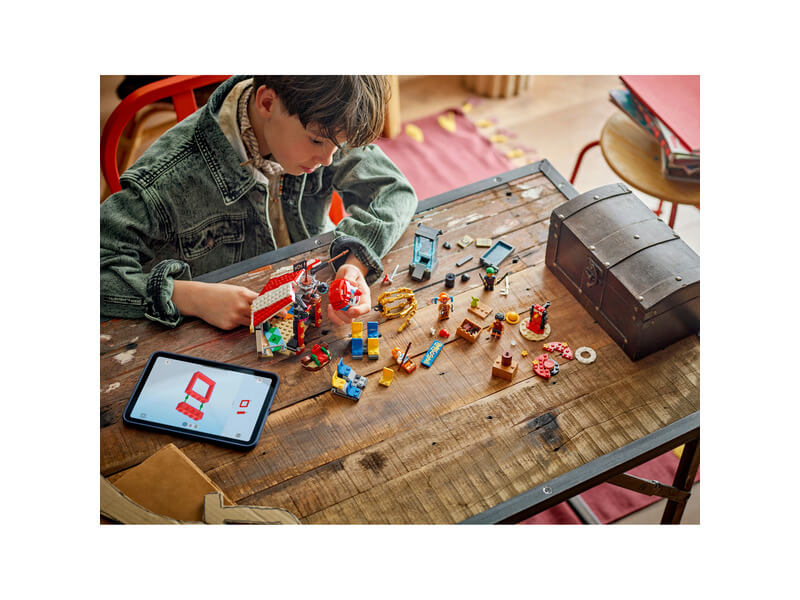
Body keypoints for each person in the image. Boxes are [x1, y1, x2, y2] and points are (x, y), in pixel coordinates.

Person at [101, 75, 417, 330]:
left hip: (305, 298)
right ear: (267, 102)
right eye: (317, 141)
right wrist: (191, 298)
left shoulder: (327, 118)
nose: (327, 159)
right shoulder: (168, 177)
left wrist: (354, 263)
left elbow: (394, 192)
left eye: (341, 145)